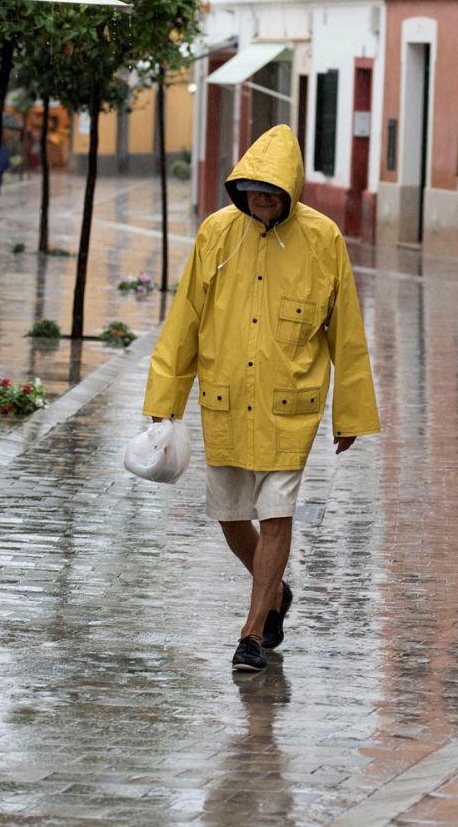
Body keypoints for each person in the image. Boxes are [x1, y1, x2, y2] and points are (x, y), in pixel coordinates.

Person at [143, 124, 380, 673]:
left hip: (290, 407)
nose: (263, 202)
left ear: (292, 192)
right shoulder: (217, 234)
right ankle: (274, 592)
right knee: (230, 515)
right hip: (225, 400)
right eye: (254, 193)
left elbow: (346, 332)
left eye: (273, 194)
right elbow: (185, 321)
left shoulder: (324, 240)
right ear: (241, 190)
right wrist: (165, 399)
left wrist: (350, 414)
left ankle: (251, 635)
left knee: (276, 512)